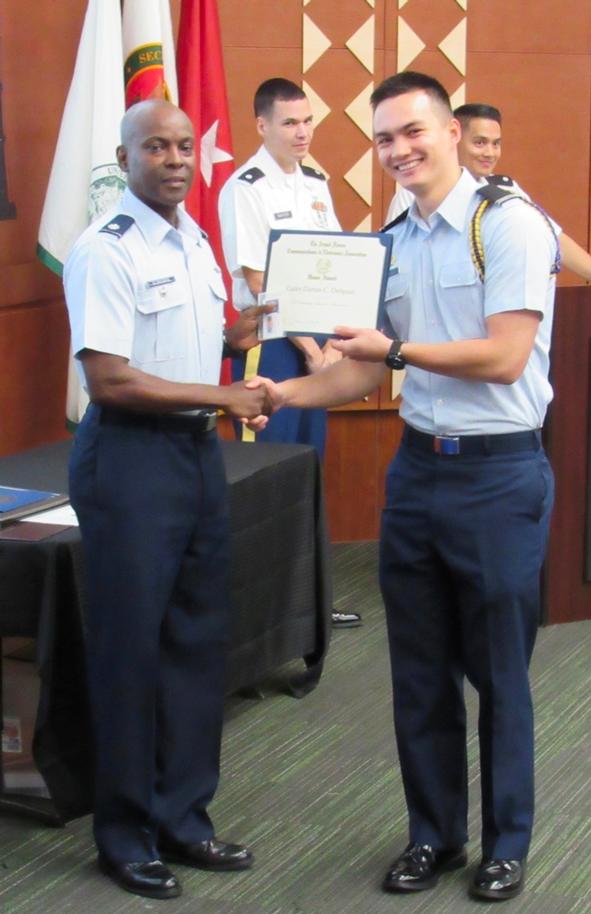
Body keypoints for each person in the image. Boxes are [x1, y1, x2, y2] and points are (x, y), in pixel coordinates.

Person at [249, 71, 558, 902]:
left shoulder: (512, 227)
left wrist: (395, 352)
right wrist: (283, 394)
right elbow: (356, 371)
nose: (399, 151)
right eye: (384, 139)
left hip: (499, 475)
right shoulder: (388, 239)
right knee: (417, 671)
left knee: (499, 673)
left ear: (453, 131)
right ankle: (435, 836)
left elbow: (503, 357)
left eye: (413, 132)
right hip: (417, 470)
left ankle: (507, 842)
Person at [64, 99, 272, 901]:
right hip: (129, 462)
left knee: (195, 642)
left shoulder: (193, 238)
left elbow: (176, 345)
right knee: (130, 651)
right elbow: (111, 379)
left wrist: (232, 335)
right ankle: (123, 834)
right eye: (158, 146)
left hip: (192, 455)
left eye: (186, 145)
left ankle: (185, 818)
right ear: (127, 158)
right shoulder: (104, 249)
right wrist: (223, 394)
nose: (178, 158)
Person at [219, 77, 361, 628]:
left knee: (306, 471)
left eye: (307, 121)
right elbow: (258, 279)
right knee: (263, 477)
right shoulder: (245, 188)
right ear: (261, 126)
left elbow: (337, 263)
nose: (302, 133)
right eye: (289, 123)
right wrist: (310, 346)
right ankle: (258, 616)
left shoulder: (317, 181)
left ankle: (306, 602)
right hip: (272, 349)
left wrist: (330, 346)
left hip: (317, 351)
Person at [385, 101, 591, 284]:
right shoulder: (414, 194)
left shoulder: (504, 189)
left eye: (496, 144)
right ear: (454, 138)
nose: (489, 153)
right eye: (479, 143)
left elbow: (555, 239)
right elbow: (395, 264)